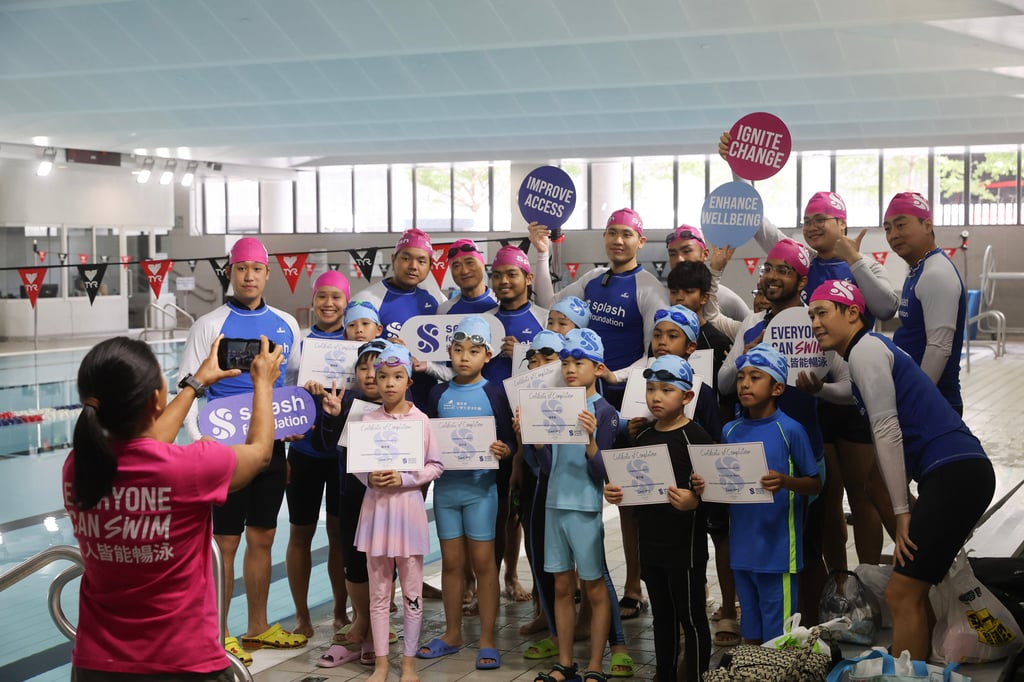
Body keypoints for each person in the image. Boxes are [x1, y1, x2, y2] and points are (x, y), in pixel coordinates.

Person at [63, 334, 281, 679]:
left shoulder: (77, 467)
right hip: (183, 663)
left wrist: (196, 383)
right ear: (155, 399)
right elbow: (260, 453)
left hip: (96, 665)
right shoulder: (191, 468)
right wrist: (264, 383)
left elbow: (142, 443)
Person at [807, 280, 994, 659]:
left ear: (853, 312)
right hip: (959, 471)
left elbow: (887, 430)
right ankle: (913, 652)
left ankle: (907, 663)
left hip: (956, 473)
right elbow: (852, 393)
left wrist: (902, 513)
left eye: (823, 312)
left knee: (901, 591)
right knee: (875, 487)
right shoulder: (865, 352)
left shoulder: (866, 352)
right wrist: (820, 391)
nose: (814, 322)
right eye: (811, 315)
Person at [531, 209, 669, 620]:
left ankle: (632, 586)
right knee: (584, 488)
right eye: (612, 233)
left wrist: (615, 374)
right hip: (582, 398)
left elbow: (655, 352)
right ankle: (583, 586)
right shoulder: (591, 280)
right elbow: (548, 304)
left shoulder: (647, 286)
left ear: (640, 241)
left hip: (623, 403)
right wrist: (541, 256)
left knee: (627, 499)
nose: (618, 241)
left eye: (627, 234)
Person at [178, 236, 304, 660]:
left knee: (264, 536)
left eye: (256, 269)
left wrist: (293, 426)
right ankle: (218, 634)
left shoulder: (287, 323)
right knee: (225, 542)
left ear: (268, 274)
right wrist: (201, 445)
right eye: (241, 269)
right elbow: (189, 390)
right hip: (223, 452)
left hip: (269, 448)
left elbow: (294, 387)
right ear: (230, 272)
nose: (249, 276)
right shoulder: (209, 325)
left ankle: (257, 627)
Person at [695, 343, 821, 644]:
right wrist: (705, 485)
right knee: (749, 632)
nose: (745, 384)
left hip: (778, 552)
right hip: (741, 550)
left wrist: (786, 481)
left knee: (780, 637)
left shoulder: (790, 430)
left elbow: (815, 484)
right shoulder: (730, 431)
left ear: (777, 387)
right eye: (740, 378)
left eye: (755, 377)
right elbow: (726, 487)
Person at [605, 355, 714, 682]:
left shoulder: (697, 439)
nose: (656, 396)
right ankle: (663, 675)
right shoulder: (643, 438)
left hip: (685, 549)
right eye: (651, 388)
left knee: (691, 619)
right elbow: (632, 489)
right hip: (651, 545)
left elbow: (718, 495)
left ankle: (695, 676)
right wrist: (616, 494)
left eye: (666, 389)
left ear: (687, 397)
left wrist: (695, 502)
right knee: (662, 617)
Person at [419, 316, 516, 670]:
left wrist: (505, 450)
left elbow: (508, 439)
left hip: (481, 491)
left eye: (473, 351)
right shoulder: (438, 393)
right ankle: (453, 633)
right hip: (447, 492)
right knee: (452, 564)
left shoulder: (494, 392)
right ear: (449, 352)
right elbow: (428, 440)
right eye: (458, 350)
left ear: (487, 355)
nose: (464, 357)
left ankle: (487, 638)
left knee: (484, 564)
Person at [524, 328, 617, 682]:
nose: (570, 369)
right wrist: (534, 442)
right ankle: (566, 663)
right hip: (554, 506)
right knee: (562, 587)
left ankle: (595, 664)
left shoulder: (604, 411)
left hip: (584, 508)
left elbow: (603, 472)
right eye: (565, 363)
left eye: (579, 362)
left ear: (598, 368)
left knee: (592, 587)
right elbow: (550, 467)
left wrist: (591, 439)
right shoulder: (556, 405)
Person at [354, 342, 444, 682]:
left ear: (409, 381)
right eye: (382, 377)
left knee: (412, 593)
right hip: (376, 515)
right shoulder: (368, 420)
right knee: (378, 595)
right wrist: (370, 477)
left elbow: (436, 466)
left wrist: (405, 477)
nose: (389, 383)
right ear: (374, 381)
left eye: (397, 376)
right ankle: (380, 663)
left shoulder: (421, 421)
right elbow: (358, 467)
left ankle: (408, 662)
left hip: (407, 515)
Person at [312, 338, 391, 667]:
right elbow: (326, 446)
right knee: (355, 565)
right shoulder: (347, 404)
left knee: (384, 567)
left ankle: (370, 633)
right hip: (353, 496)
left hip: (389, 503)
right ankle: (363, 625)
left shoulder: (405, 408)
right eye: (363, 367)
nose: (370, 374)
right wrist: (330, 417)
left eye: (378, 368)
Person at [285, 270, 351, 641]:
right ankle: (301, 615)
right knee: (301, 532)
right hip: (305, 451)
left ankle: (341, 610)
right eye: (322, 296)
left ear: (346, 301)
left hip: (342, 453)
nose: (328, 303)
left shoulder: (357, 341)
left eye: (336, 297)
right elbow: (280, 398)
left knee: (340, 534)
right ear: (313, 300)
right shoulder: (299, 344)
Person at [484, 244, 548, 603]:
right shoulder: (486, 320)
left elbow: (554, 367)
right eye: (497, 274)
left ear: (527, 277)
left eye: (511, 274)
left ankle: (515, 577)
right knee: (496, 513)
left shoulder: (542, 318)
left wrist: (523, 352)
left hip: (530, 429)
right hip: (492, 429)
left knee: (525, 513)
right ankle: (491, 584)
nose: (504, 281)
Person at [884, 192, 967, 413]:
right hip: (920, 393)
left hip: (933, 403)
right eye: (888, 228)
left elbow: (939, 348)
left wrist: (915, 401)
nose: (893, 235)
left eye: (901, 225)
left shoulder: (936, 273)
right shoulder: (919, 269)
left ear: (927, 225)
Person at [665, 224, 750, 323]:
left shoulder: (728, 300)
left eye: (687, 251)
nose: (679, 259)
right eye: (672, 254)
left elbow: (752, 332)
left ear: (704, 254)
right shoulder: (662, 296)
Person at [436, 238, 498, 314]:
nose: (465, 271)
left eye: (470, 263)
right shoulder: (443, 311)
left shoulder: (501, 304)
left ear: (482, 264)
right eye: (457, 266)